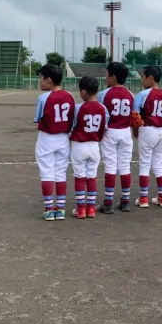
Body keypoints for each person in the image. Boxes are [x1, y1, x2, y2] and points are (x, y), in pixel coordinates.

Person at [33, 64, 76, 221]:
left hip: (47, 138)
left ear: (49, 80)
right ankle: (61, 208)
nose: (39, 81)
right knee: (60, 172)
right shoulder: (70, 96)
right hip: (64, 138)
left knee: (46, 172)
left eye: (41, 78)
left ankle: (49, 208)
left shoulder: (43, 98)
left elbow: (37, 118)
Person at [97, 62, 135, 214]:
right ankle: (125, 201)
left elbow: (100, 114)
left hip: (110, 131)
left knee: (110, 166)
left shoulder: (104, 94)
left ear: (112, 77)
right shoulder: (130, 94)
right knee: (125, 166)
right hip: (126, 132)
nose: (105, 77)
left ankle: (108, 203)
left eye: (107, 74)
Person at [70, 76, 109, 219]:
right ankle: (91, 208)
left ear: (84, 92)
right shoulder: (103, 108)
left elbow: (72, 126)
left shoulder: (78, 108)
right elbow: (104, 129)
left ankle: (81, 209)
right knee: (91, 177)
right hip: (94, 146)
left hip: (79, 145)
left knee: (80, 177)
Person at [133, 65, 162, 207]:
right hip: (160, 131)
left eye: (143, 77)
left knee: (144, 164)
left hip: (147, 129)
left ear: (150, 78)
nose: (142, 80)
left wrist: (135, 130)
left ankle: (143, 198)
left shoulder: (143, 94)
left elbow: (135, 115)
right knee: (158, 163)